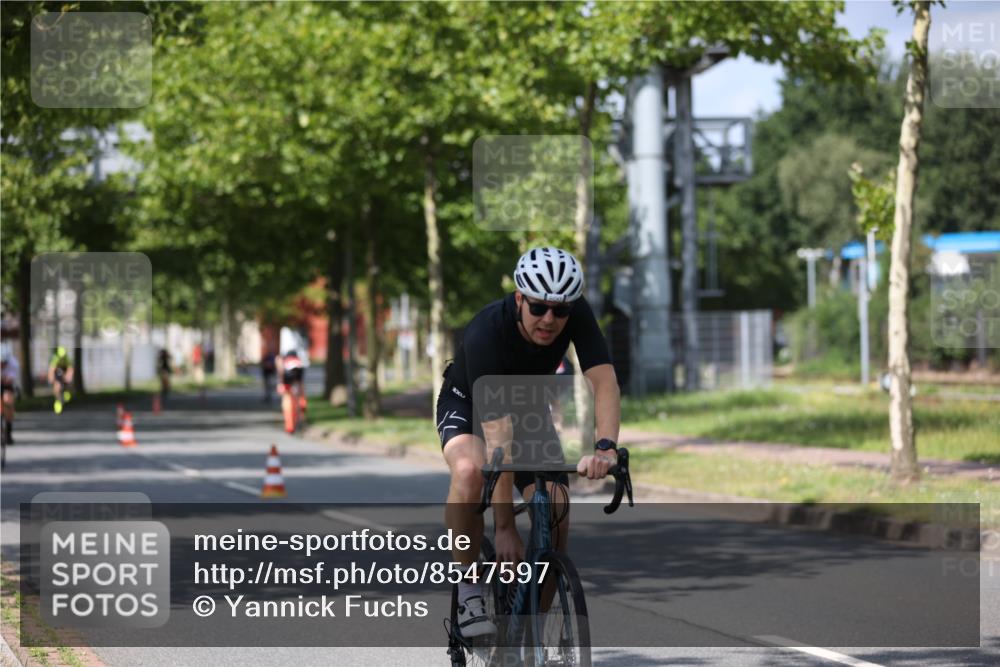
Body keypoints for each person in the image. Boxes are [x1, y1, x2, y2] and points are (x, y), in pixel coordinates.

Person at [436, 247, 621, 637]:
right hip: (470, 403)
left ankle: (529, 629)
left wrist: (605, 447)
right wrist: (504, 527)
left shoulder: (575, 312)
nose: (549, 319)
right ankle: (470, 591)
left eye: (560, 310)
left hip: (527, 405)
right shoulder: (487, 331)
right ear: (520, 298)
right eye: (538, 307)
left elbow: (603, 381)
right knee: (470, 472)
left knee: (556, 506)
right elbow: (499, 441)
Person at [276, 349, 306, 433]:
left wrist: (280, 384)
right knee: (294, 404)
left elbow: (281, 373)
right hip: (293, 383)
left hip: (288, 384)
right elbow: (300, 380)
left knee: (287, 405)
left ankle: (290, 426)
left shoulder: (284, 361)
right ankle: (294, 422)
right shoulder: (298, 362)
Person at [47, 346, 74, 414]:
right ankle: (58, 401)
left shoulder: (67, 359)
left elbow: (70, 369)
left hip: (65, 370)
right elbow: (51, 370)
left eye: (63, 357)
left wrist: (69, 377)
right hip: (58, 371)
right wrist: (51, 378)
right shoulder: (55, 358)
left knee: (68, 384)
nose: (62, 358)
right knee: (57, 386)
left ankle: (67, 392)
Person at [1, 351, 19, 444]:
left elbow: (9, 381)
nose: (2, 365)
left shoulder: (13, 363)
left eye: (4, 363)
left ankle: (8, 433)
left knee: (8, 400)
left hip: (8, 384)